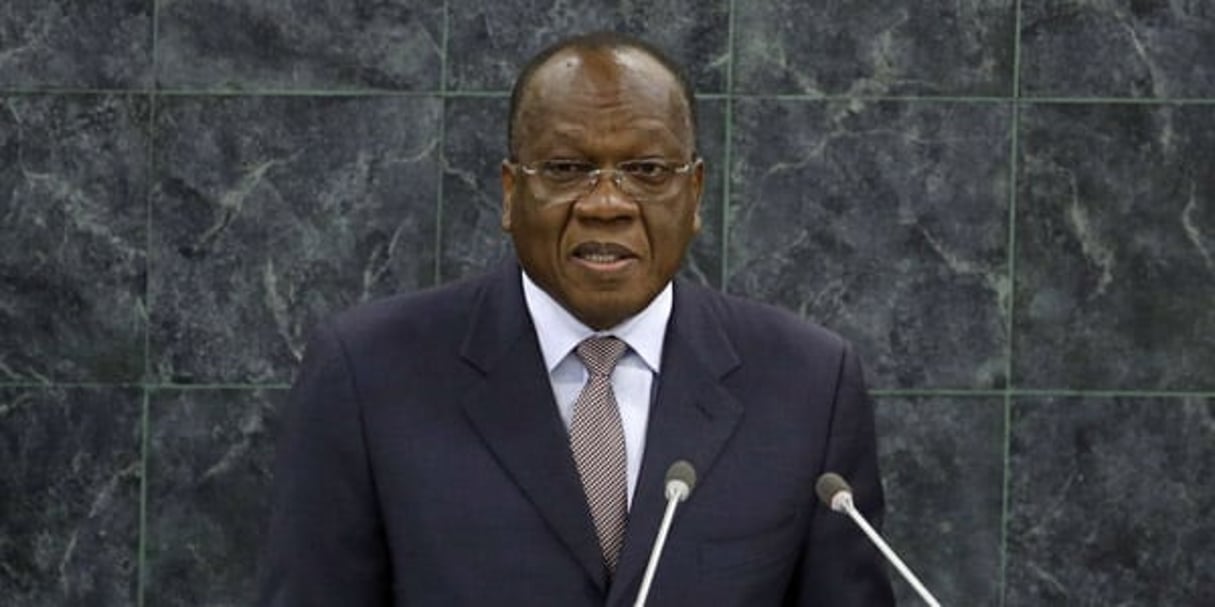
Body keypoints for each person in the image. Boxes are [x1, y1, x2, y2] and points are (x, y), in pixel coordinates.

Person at [261, 31, 894, 606]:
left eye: (647, 171)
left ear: (695, 195)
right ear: (511, 194)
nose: (607, 203)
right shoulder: (368, 373)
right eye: (567, 169)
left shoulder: (809, 384)